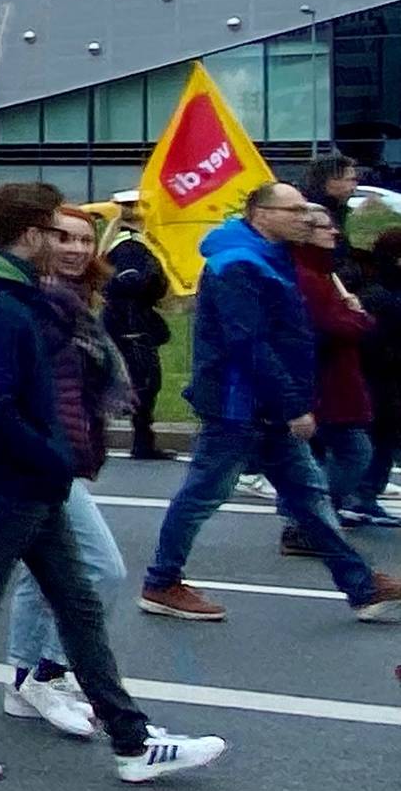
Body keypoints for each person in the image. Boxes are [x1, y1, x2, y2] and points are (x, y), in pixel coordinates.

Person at [0, 183, 228, 783]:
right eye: (54, 230)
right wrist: (50, 458)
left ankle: (130, 740)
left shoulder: (9, 298)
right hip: (9, 485)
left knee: (78, 605)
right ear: (29, 236)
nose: (64, 241)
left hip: (30, 483)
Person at [137, 182, 401, 623]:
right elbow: (249, 342)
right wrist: (293, 404)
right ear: (261, 214)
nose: (305, 217)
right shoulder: (237, 265)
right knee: (205, 493)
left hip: (263, 406)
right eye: (294, 210)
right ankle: (162, 582)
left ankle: (361, 586)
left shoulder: (269, 259)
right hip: (238, 405)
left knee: (310, 497)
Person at [0, 206, 136, 741]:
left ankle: (23, 681)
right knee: (102, 570)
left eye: (84, 240)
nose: (76, 249)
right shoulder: (32, 301)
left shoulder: (76, 302)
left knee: (38, 574)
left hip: (61, 455)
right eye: (63, 238)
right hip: (39, 459)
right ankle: (47, 674)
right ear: (37, 240)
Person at [289, 206, 382, 533]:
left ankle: (309, 518)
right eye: (324, 228)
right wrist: (359, 317)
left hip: (335, 380)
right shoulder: (307, 276)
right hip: (324, 382)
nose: (334, 233)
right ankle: (308, 520)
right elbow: (334, 325)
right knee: (354, 451)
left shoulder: (322, 273)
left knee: (315, 456)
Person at [100, 193, 174, 460]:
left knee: (138, 382)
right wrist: (154, 283)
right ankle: (141, 441)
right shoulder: (131, 246)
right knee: (144, 382)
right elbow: (129, 283)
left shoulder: (126, 243)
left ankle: (141, 440)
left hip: (129, 320)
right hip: (131, 323)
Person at [354, 229, 401, 526]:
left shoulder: (380, 292)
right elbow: (372, 340)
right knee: (376, 438)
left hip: (386, 378)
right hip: (379, 378)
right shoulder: (379, 296)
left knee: (383, 438)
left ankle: (365, 494)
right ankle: (361, 495)